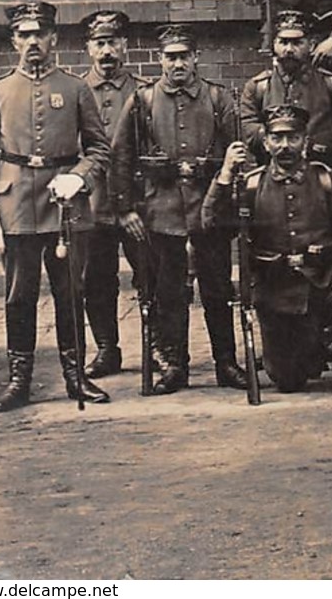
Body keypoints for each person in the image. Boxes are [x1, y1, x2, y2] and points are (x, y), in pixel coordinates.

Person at [0, 1, 112, 411]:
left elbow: (100, 150)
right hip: (15, 206)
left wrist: (79, 177)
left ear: (54, 38)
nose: (33, 42)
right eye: (24, 34)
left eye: (40, 34)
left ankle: (75, 376)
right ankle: (19, 381)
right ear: (14, 40)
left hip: (66, 207)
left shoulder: (75, 88)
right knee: (19, 296)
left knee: (71, 292)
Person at [204, 104, 332, 397]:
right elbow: (210, 224)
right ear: (266, 142)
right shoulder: (251, 184)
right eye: (277, 138)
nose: (285, 146)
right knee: (288, 381)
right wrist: (224, 175)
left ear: (306, 141)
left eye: (293, 138)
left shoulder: (325, 178)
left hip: (323, 275)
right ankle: (318, 342)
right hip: (276, 286)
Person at [110, 24, 248, 393]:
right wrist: (125, 210)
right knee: (168, 293)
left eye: (184, 55)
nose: (178, 64)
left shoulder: (218, 99)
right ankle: (175, 367)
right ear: (160, 60)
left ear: (195, 58)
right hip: (162, 211)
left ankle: (226, 363)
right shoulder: (142, 100)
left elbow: (236, 153)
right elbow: (121, 157)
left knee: (218, 289)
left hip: (211, 209)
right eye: (170, 57)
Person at [79, 10, 149, 379]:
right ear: (89, 48)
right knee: (97, 280)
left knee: (149, 274)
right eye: (99, 43)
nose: (107, 51)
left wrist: (135, 204)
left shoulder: (144, 92)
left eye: (113, 42)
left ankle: (159, 347)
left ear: (125, 45)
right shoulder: (76, 91)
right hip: (92, 206)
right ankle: (107, 349)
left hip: (137, 206)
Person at [239, 9, 332, 200]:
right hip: (274, 186)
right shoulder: (258, 88)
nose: (289, 49)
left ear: (311, 44)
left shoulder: (330, 84)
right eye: (283, 42)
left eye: (297, 42)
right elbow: (249, 134)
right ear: (274, 45)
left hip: (321, 184)